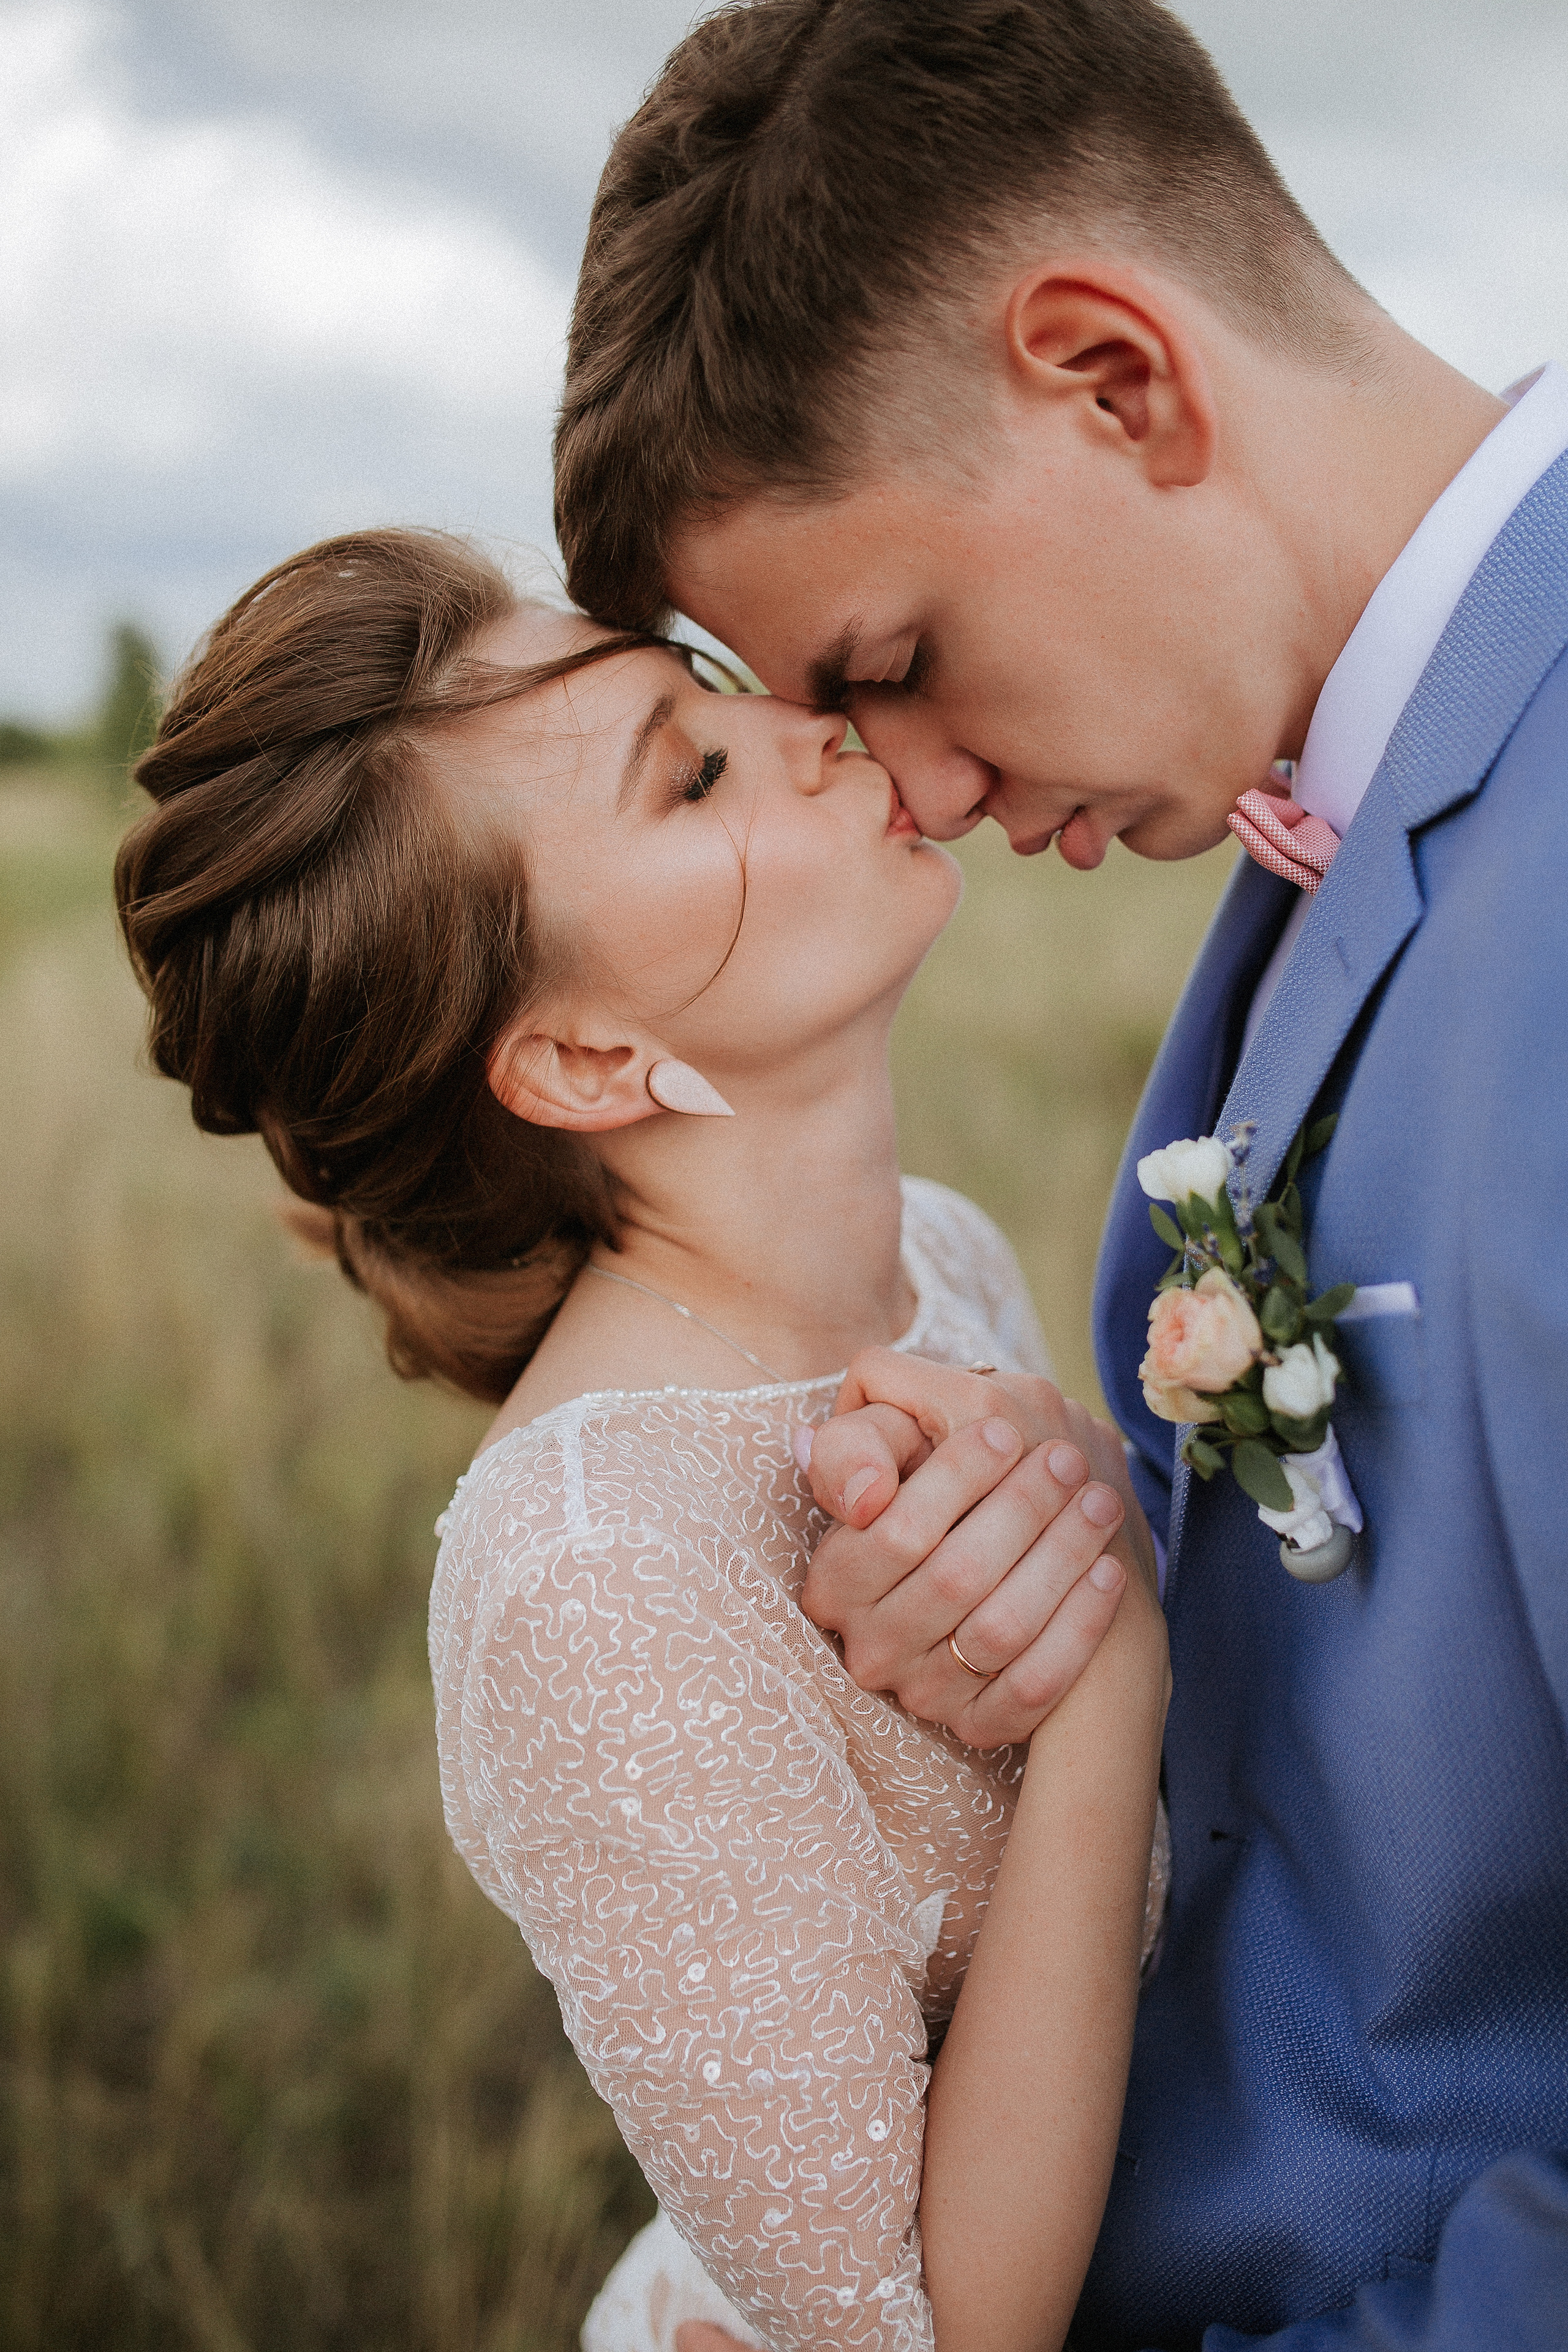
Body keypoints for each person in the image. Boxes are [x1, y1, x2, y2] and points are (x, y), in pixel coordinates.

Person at [551, 1, 1568, 2346]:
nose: (900, 791)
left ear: (1118, 376)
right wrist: (1061, 1566)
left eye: (895, 659)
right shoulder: (1334, 783)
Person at [112, 529, 1173, 2352]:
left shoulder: (941, 1251)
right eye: (692, 772)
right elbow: (932, 2331)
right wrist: (1104, 1667)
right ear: (589, 1064)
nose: (808, 728)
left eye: (710, 692)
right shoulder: (591, 1579)